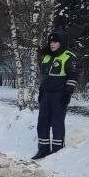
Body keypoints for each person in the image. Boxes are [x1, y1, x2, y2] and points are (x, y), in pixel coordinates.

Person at [34, 30, 78, 160]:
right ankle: (43, 149)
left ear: (62, 42)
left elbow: (73, 77)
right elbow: (44, 77)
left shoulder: (69, 57)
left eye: (55, 42)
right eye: (51, 41)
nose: (52, 44)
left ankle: (57, 151)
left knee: (57, 122)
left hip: (59, 95)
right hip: (46, 94)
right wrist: (41, 91)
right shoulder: (46, 56)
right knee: (42, 122)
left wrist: (67, 94)